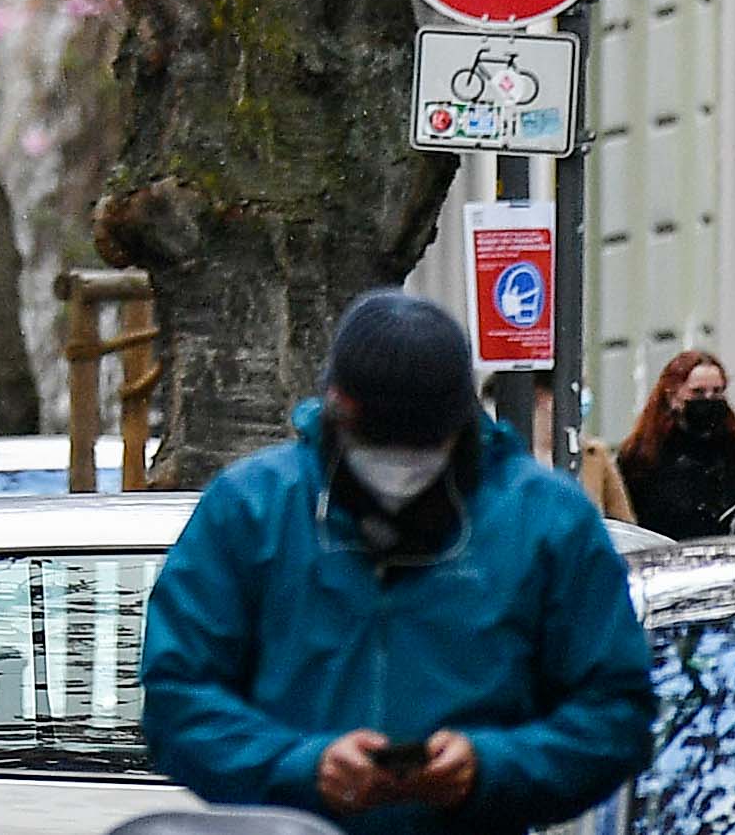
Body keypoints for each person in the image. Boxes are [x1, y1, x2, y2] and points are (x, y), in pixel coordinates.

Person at [141, 292, 650, 830]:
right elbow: (178, 700)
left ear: (460, 424)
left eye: (421, 441)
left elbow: (615, 713)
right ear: (337, 408)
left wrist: (490, 767)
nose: (400, 464)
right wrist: (303, 766)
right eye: (379, 438)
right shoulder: (250, 510)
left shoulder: (547, 522)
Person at [609, 351, 735, 542]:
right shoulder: (639, 458)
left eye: (717, 391)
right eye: (697, 392)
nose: (709, 399)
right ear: (672, 396)